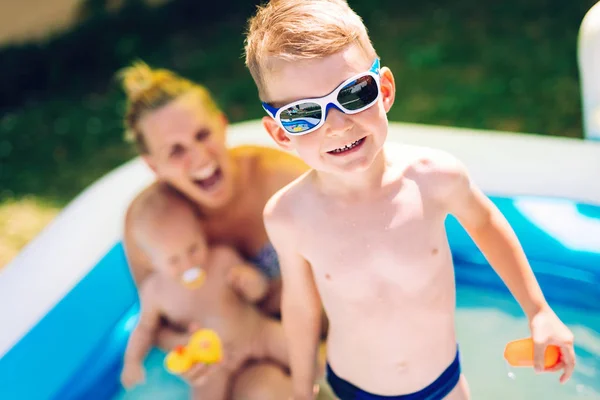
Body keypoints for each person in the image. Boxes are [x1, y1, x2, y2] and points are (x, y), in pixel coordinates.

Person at [243, 0, 577, 399]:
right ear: (281, 134)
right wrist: (301, 387)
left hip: (443, 384)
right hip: (352, 387)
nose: (337, 125)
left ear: (383, 90)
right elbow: (301, 307)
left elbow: (485, 225)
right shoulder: (288, 216)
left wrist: (539, 310)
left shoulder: (434, 177)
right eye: (303, 115)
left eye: (353, 94)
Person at [118, 63, 309, 392]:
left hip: (318, 324)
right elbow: (157, 318)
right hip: (240, 353)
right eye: (175, 151)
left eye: (202, 135)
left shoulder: (281, 179)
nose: (199, 156)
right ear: (154, 166)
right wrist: (188, 349)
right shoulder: (154, 225)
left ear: (222, 126)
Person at [120, 184, 292, 399]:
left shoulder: (222, 259)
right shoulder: (154, 292)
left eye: (193, 248)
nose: (188, 263)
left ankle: (323, 376)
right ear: (149, 259)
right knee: (204, 392)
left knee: (293, 343)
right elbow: (146, 328)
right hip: (214, 363)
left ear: (200, 230)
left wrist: (252, 282)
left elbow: (258, 295)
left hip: (255, 333)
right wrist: (132, 361)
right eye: (173, 260)